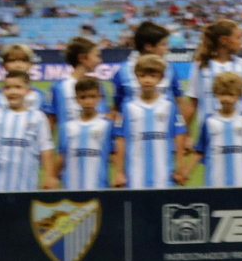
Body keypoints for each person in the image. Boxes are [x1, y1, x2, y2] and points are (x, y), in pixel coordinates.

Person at [111, 55, 189, 188]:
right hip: (134, 176)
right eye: (143, 76)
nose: (147, 80)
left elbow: (179, 135)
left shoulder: (169, 106)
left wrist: (180, 166)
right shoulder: (127, 107)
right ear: (136, 77)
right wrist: (119, 172)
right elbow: (120, 139)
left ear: (160, 78)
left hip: (164, 176)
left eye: (152, 76)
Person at [0, 71, 56, 191]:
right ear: (3, 91)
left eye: (18, 87)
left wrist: (49, 177)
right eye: (8, 88)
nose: (13, 92)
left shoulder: (38, 118)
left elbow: (45, 148)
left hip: (25, 182)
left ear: (27, 91)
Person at [188, 71, 242, 187]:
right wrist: (185, 172)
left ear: (238, 95)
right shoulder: (209, 121)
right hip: (215, 185)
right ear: (216, 94)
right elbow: (199, 150)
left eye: (230, 94)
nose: (226, 98)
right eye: (222, 94)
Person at [185, 19, 242, 130]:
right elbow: (192, 103)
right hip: (209, 134)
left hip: (240, 133)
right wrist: (185, 134)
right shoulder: (201, 66)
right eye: (238, 38)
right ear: (224, 40)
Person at [113, 21, 182, 119]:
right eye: (163, 44)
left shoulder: (169, 69)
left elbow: (179, 102)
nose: (167, 48)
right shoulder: (123, 71)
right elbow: (116, 108)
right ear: (148, 47)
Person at [55, 77, 113, 190]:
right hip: (71, 187)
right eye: (83, 97)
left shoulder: (107, 125)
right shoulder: (67, 126)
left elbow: (114, 155)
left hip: (99, 186)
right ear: (76, 99)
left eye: (92, 97)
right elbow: (61, 155)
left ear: (100, 98)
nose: (88, 101)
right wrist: (52, 177)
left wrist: (119, 174)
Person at [47, 36, 103, 129]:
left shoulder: (97, 85)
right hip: (68, 142)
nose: (99, 60)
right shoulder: (59, 88)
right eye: (96, 56)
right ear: (83, 58)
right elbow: (51, 122)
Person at [0, 43, 43, 112]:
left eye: (23, 60)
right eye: (12, 61)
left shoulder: (39, 94)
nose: (18, 65)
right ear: (3, 65)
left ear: (30, 64)